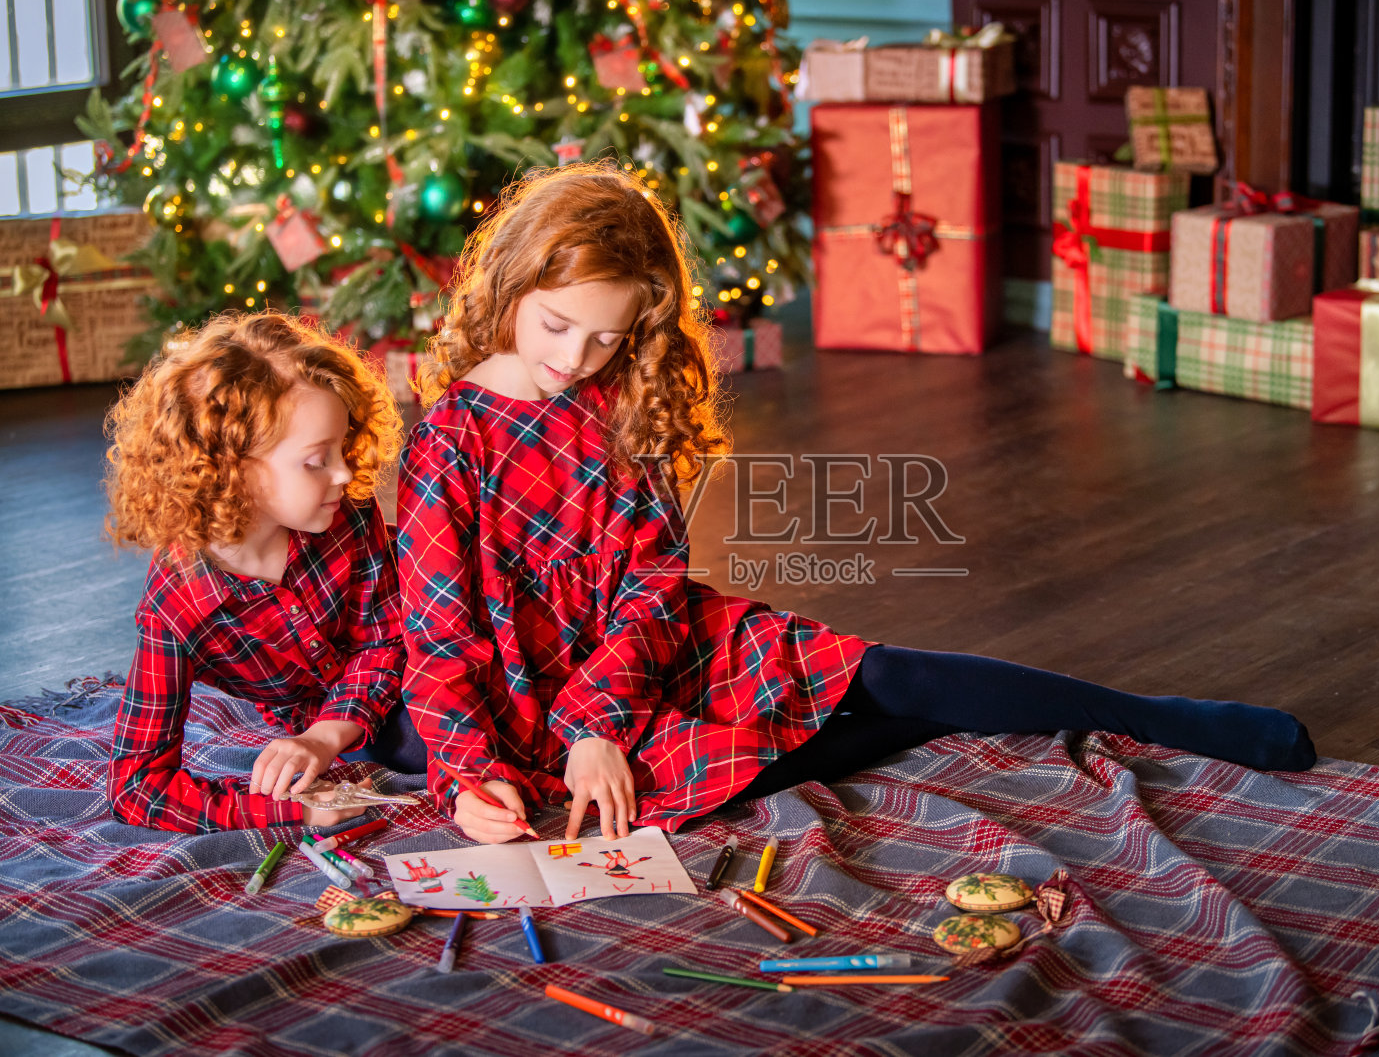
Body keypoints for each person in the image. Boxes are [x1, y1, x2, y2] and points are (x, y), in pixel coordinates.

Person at [397, 163, 1317, 846]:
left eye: (605, 338)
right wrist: (473, 775)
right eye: (558, 326)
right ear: (513, 282)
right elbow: (440, 641)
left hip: (662, 646)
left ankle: (1162, 715)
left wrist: (599, 715)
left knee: (887, 673)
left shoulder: (612, 399)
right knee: (766, 757)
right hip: (529, 705)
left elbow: (653, 581)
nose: (577, 357)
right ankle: (921, 728)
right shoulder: (449, 438)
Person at [104, 312, 424, 833]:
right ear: (230, 468)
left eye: (342, 448)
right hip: (372, 721)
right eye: (317, 459)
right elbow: (138, 786)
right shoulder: (177, 609)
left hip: (424, 655)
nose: (345, 472)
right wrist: (293, 807)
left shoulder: (349, 513)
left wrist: (324, 737)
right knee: (434, 741)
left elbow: (387, 641)